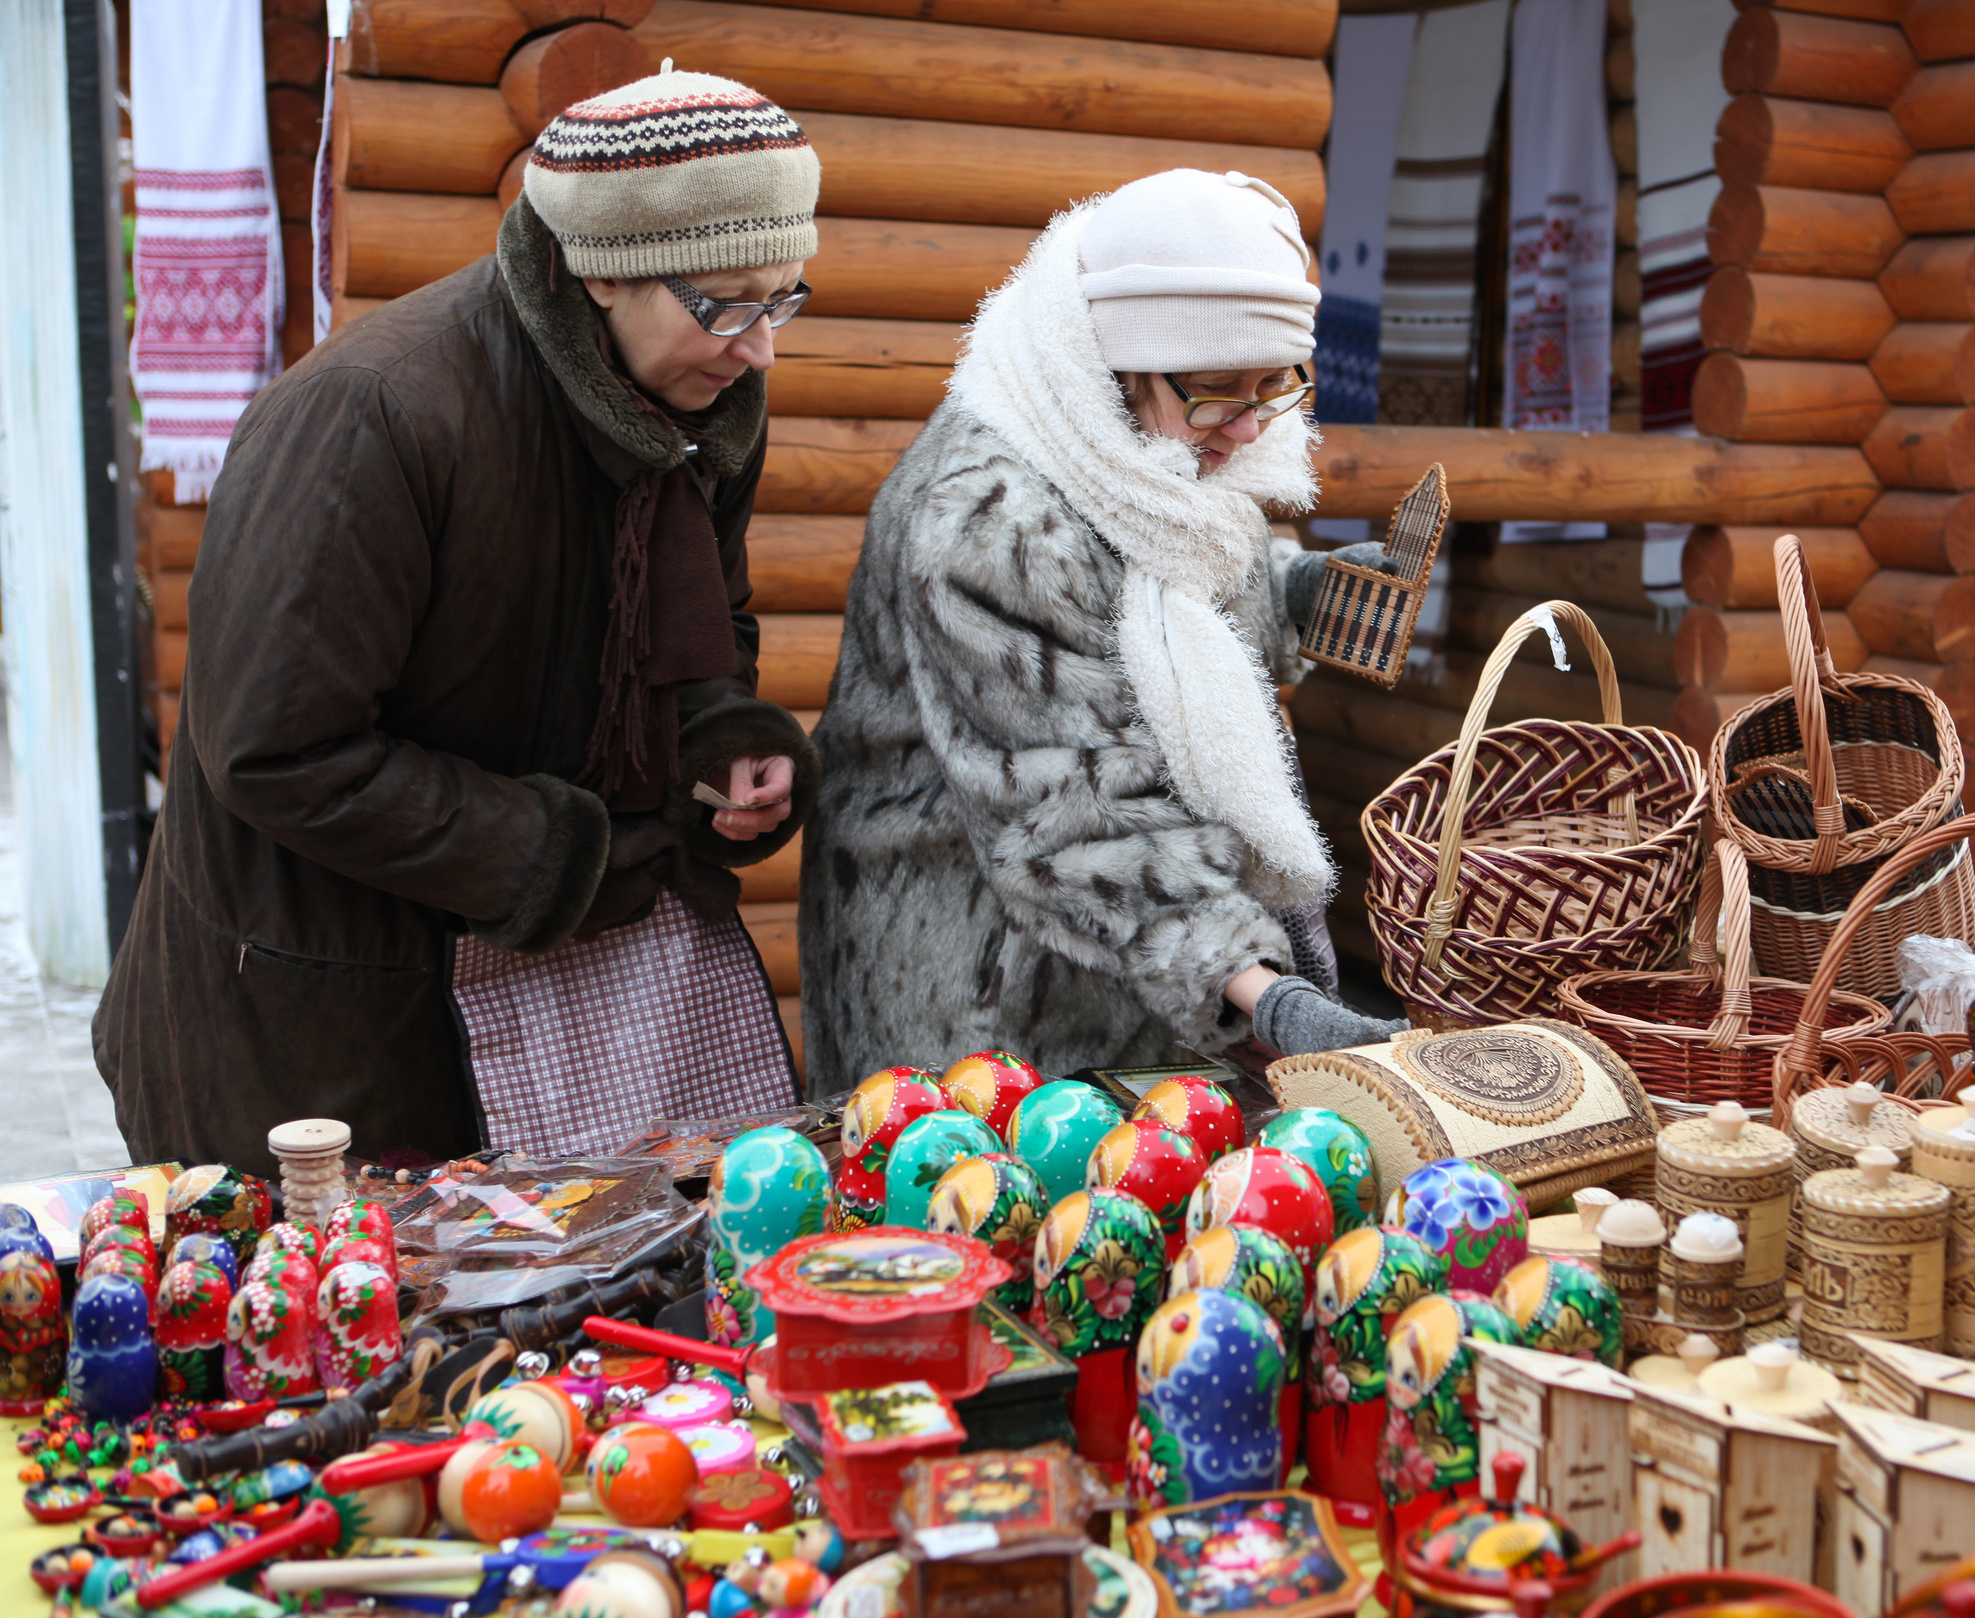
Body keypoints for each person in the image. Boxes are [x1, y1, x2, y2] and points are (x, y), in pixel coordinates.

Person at [96, 70, 822, 1171]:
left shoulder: (697, 400)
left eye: (785, 298)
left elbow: (700, 633)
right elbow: (276, 748)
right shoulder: (371, 417)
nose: (760, 347)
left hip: (546, 1007)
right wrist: (552, 856)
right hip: (321, 1025)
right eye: (725, 303)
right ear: (598, 272)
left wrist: (720, 744)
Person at [798, 169, 1404, 1089]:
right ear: (1113, 365)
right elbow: (1073, 809)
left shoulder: (1143, 448)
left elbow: (1171, 577)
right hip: (982, 990)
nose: (1246, 430)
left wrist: (1293, 591)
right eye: (1214, 392)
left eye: (1272, 387)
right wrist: (1261, 990)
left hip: (1122, 966)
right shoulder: (990, 525)